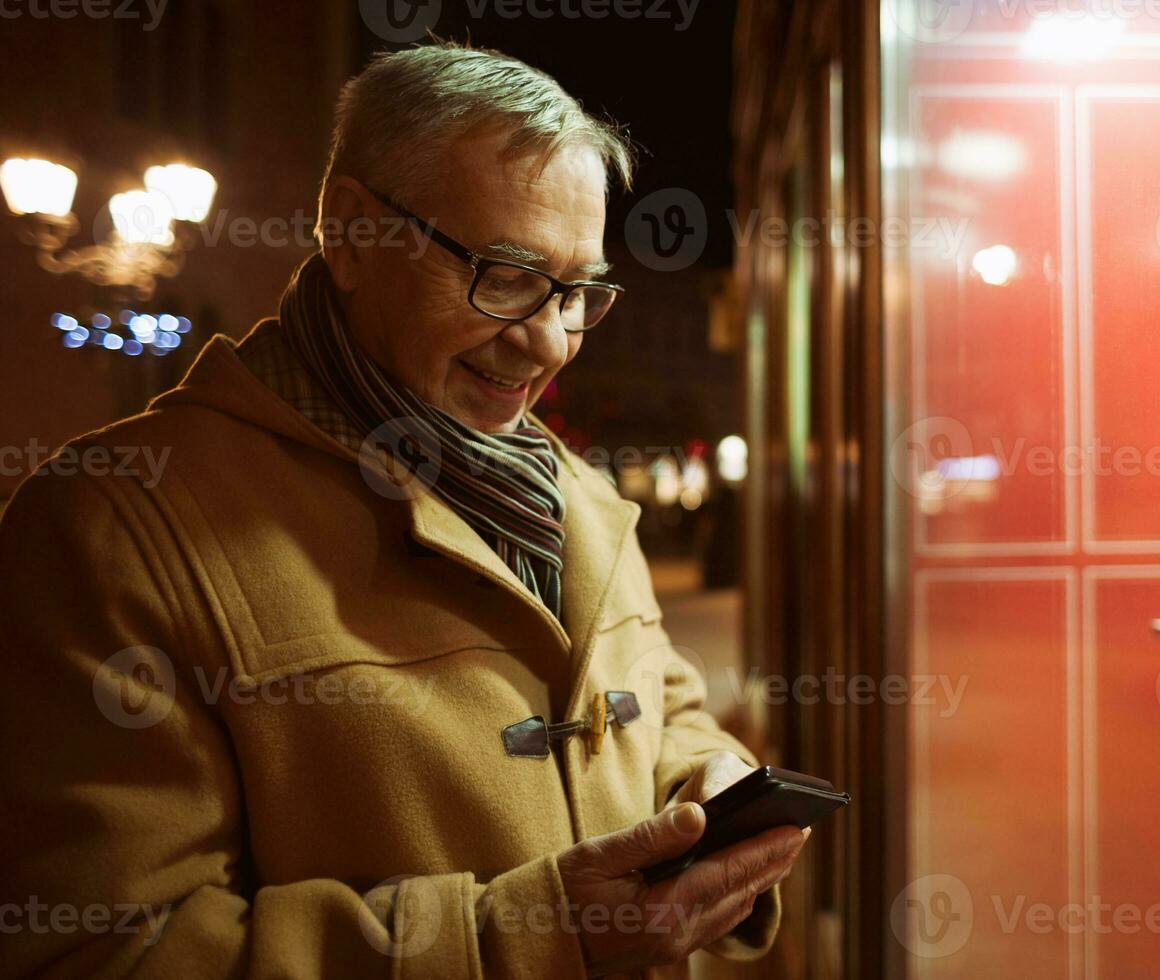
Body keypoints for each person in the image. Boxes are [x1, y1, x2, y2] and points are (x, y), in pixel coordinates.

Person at [0, 42, 805, 979]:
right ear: (350, 233)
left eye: (578, 292)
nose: (549, 341)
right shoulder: (112, 528)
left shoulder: (578, 495)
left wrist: (710, 784)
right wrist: (531, 937)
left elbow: (667, 708)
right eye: (503, 275)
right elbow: (99, 949)